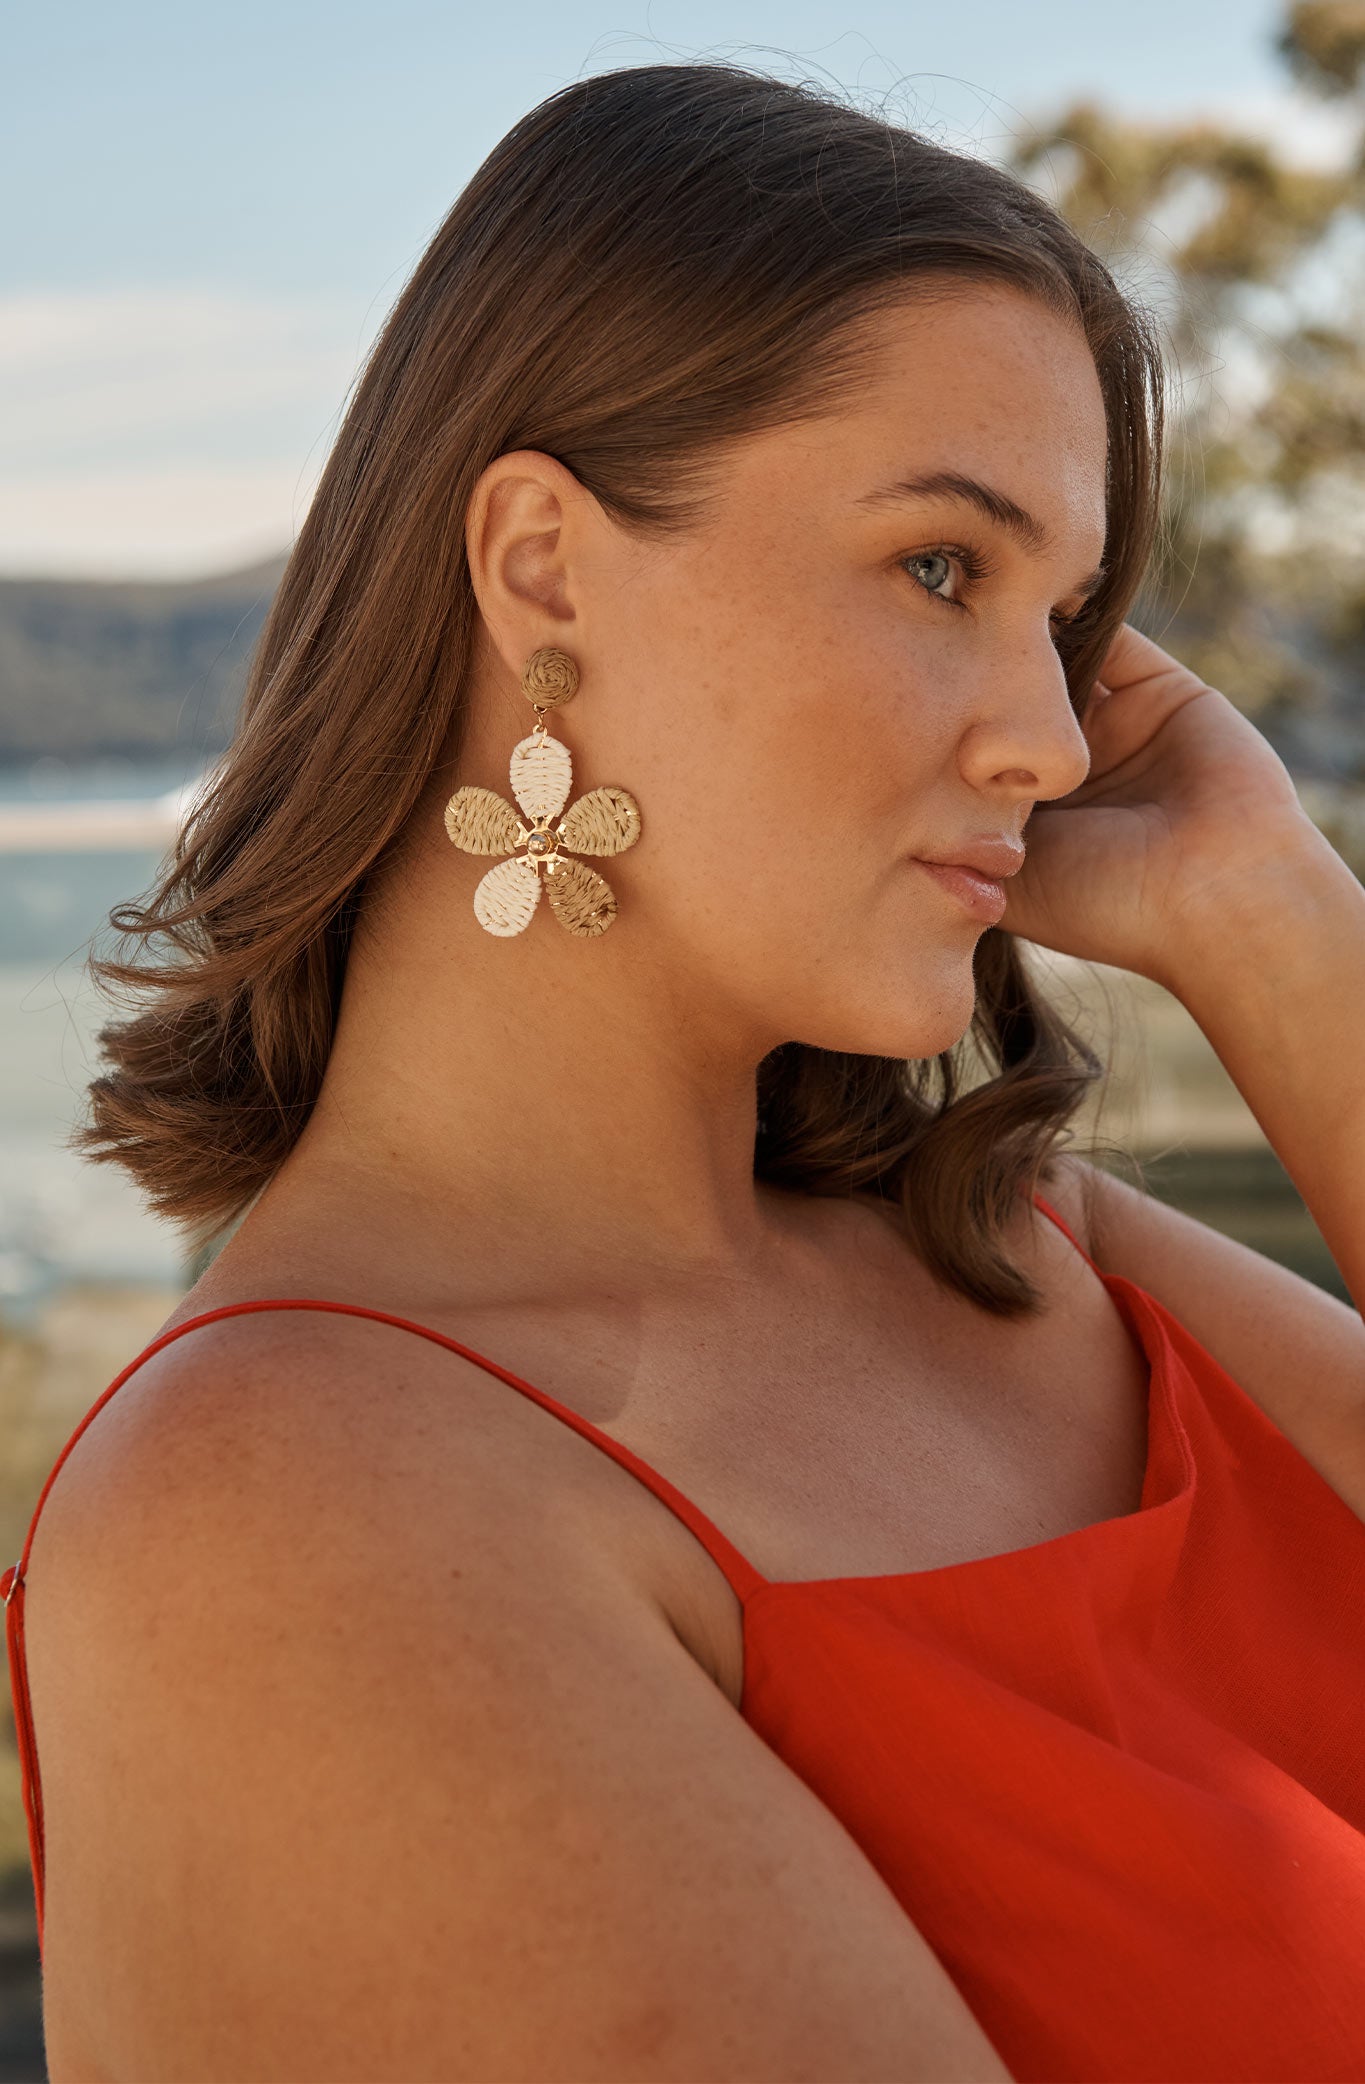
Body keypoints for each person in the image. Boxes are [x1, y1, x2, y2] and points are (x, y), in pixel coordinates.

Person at [5, 60, 1364, 2084]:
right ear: (541, 564)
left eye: (1062, 616)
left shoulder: (1023, 1245)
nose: (1053, 740)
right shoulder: (286, 1520)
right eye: (936, 569)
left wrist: (1268, 919)